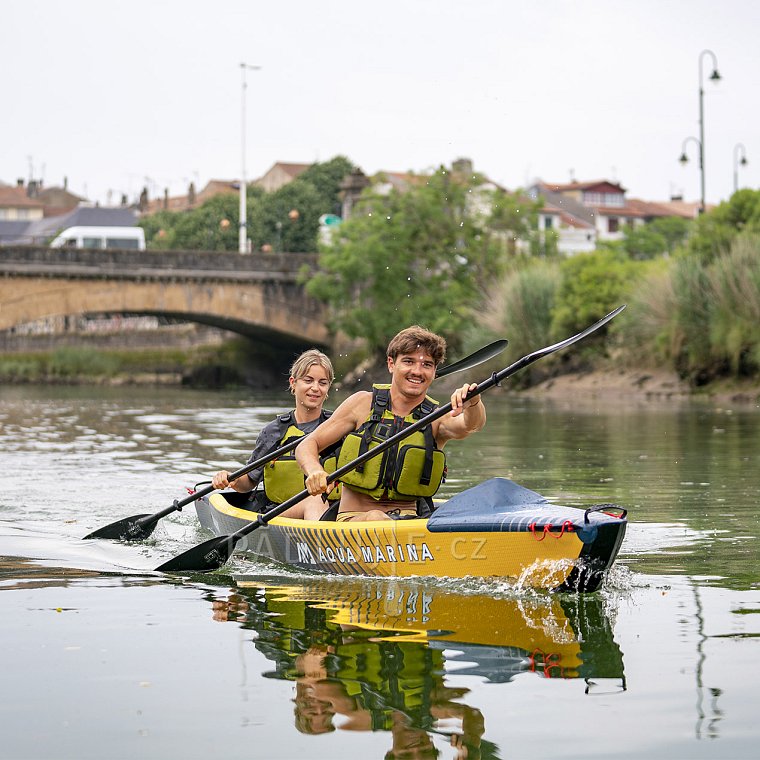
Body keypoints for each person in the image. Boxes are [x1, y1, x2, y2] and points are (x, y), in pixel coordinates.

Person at [296, 325, 486, 522]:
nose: (417, 371)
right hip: (353, 521)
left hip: (408, 524)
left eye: (427, 365)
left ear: (434, 371)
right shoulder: (362, 404)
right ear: (391, 364)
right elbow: (308, 445)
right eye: (408, 361)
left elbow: (470, 425)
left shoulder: (436, 418)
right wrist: (314, 470)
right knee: (376, 518)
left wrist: (473, 402)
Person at [212, 348, 336, 520]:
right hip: (281, 514)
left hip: (332, 513)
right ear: (293, 383)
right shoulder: (273, 432)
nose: (315, 388)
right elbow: (249, 481)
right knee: (314, 500)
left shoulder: (338, 426)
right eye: (308, 380)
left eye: (323, 383)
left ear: (328, 387)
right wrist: (230, 478)